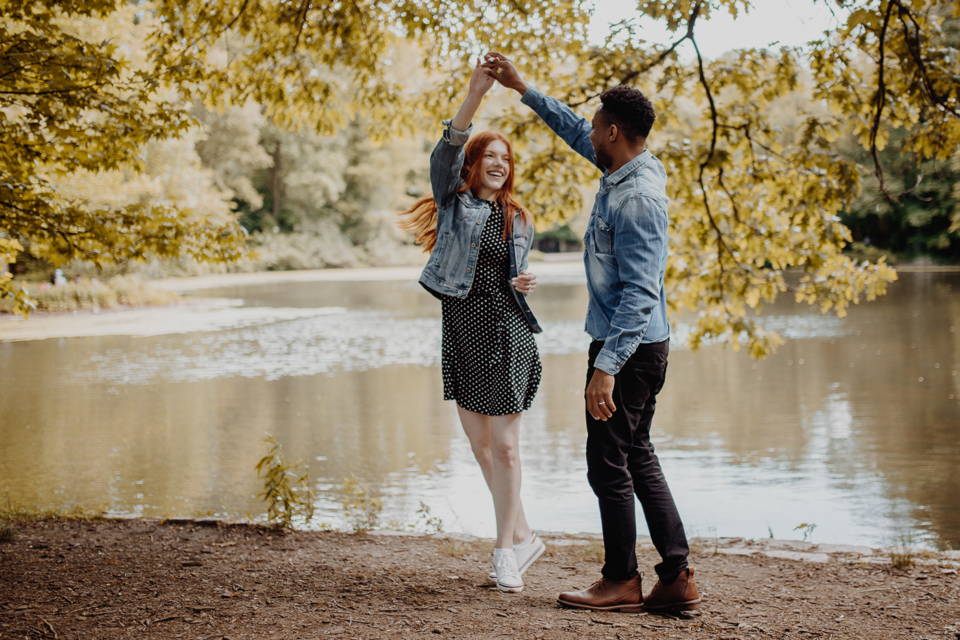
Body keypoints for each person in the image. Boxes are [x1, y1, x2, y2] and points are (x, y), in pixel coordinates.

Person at [483, 52, 701, 613]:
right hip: (638, 343)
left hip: (628, 345)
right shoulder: (626, 165)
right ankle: (676, 576)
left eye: (597, 124)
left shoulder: (638, 198)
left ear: (614, 133)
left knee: (608, 461)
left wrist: (606, 368)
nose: (590, 132)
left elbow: (640, 292)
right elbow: (574, 129)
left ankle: (622, 581)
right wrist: (522, 87)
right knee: (637, 453)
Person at [397, 58, 546, 594]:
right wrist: (474, 93)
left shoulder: (520, 218)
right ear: (475, 163)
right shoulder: (452, 204)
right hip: (463, 331)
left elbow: (513, 274)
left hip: (506, 334)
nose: (501, 164)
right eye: (492, 156)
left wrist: (522, 283)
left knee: (505, 448)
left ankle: (505, 552)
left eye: (507, 158)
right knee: (482, 448)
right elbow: (446, 149)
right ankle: (525, 534)